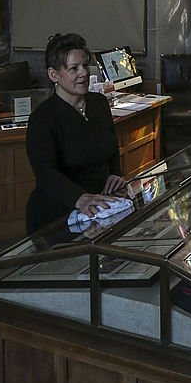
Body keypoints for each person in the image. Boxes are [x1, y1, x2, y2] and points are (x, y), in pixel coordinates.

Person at [25, 32, 125, 234]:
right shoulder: (42, 119)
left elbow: (112, 147)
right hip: (59, 212)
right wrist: (80, 198)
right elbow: (46, 173)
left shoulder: (99, 103)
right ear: (54, 75)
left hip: (101, 208)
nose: (84, 73)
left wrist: (115, 173)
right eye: (74, 69)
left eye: (85, 65)